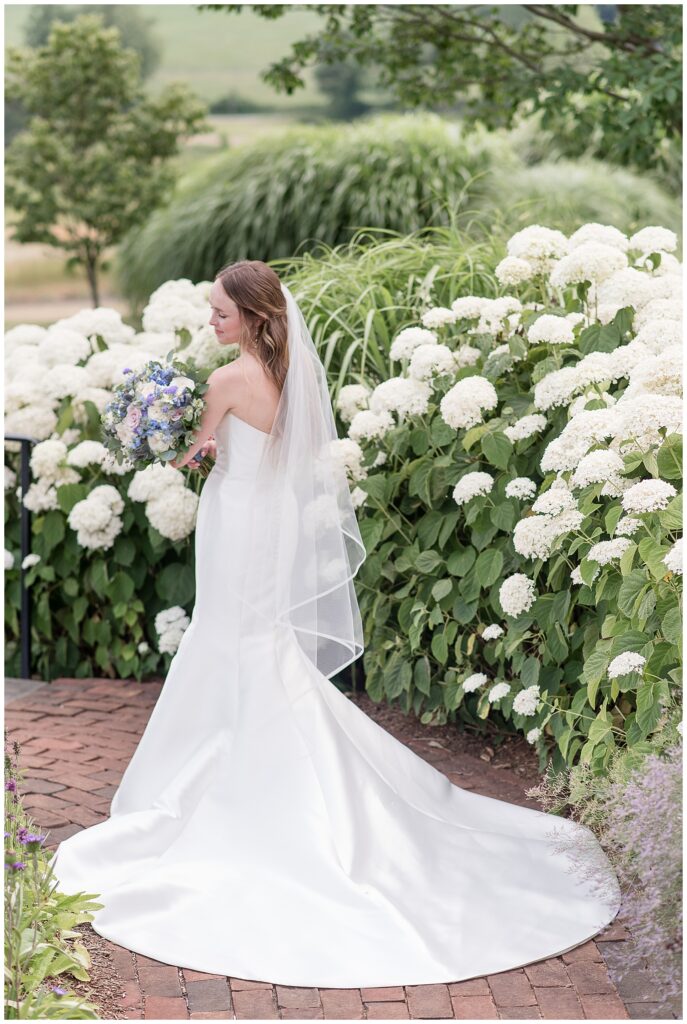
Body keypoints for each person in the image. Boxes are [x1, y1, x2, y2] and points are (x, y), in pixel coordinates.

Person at [50, 260, 621, 988]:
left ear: (254, 317)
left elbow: (201, 449)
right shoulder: (293, 378)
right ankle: (255, 754)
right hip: (275, 518)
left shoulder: (225, 382)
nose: (211, 324)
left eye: (220, 314)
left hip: (236, 518)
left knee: (230, 635)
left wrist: (170, 434)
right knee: (259, 641)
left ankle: (237, 776)